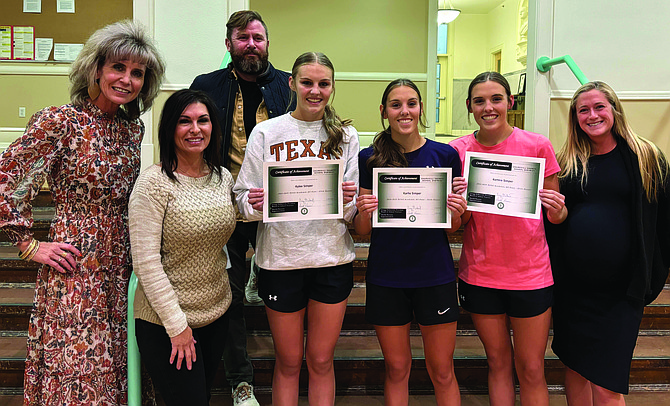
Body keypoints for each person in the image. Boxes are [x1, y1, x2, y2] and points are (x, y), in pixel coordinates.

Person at [0, 20, 164, 405]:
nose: (126, 79)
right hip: (75, 266)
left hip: (123, 263)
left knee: (119, 359)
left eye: (137, 72)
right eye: (117, 67)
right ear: (96, 69)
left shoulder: (132, 131)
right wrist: (28, 245)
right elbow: (5, 179)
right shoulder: (60, 122)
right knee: (78, 364)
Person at [233, 51, 359, 406]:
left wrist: (350, 200)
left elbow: (351, 214)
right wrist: (255, 204)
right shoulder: (266, 132)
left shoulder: (346, 135)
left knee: (320, 359)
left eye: (323, 83)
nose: (315, 90)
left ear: (332, 87)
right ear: (292, 83)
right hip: (280, 260)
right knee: (288, 361)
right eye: (307, 82)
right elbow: (241, 198)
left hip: (331, 259)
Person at [190, 10, 294, 404]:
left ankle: (257, 269)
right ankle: (241, 380)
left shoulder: (289, 85)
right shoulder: (206, 86)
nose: (251, 44)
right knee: (229, 295)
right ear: (229, 44)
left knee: (272, 282)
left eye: (258, 37)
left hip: (279, 207)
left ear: (267, 43)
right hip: (225, 204)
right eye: (242, 38)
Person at [546, 81, 669, 406]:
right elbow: (557, 222)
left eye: (599, 107)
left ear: (614, 109)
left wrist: (654, 276)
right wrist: (557, 215)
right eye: (583, 110)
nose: (592, 115)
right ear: (575, 118)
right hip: (574, 290)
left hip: (620, 294)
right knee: (575, 368)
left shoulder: (647, 158)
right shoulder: (568, 161)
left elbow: (665, 222)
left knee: (606, 383)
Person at [449, 71, 567, 406]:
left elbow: (555, 216)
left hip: (531, 277)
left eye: (496, 99)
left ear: (509, 102)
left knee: (531, 368)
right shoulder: (457, 152)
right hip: (481, 276)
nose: (488, 107)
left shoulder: (536, 146)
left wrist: (558, 210)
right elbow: (458, 225)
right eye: (479, 101)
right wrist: (463, 201)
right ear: (470, 107)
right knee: (498, 363)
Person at [353, 79, 466, 406]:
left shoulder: (444, 155)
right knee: (397, 368)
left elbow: (452, 228)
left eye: (411, 103)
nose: (405, 111)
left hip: (435, 275)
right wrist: (364, 210)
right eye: (396, 104)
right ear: (384, 112)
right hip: (387, 276)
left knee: (442, 370)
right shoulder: (369, 158)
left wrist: (456, 212)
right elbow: (362, 230)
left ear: (421, 109)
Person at [128, 89, 236, 405]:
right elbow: (145, 262)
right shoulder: (153, 184)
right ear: (170, 128)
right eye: (184, 121)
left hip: (217, 312)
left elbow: (220, 232)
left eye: (203, 120)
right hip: (166, 322)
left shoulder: (222, 177)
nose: (195, 129)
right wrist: (177, 327)